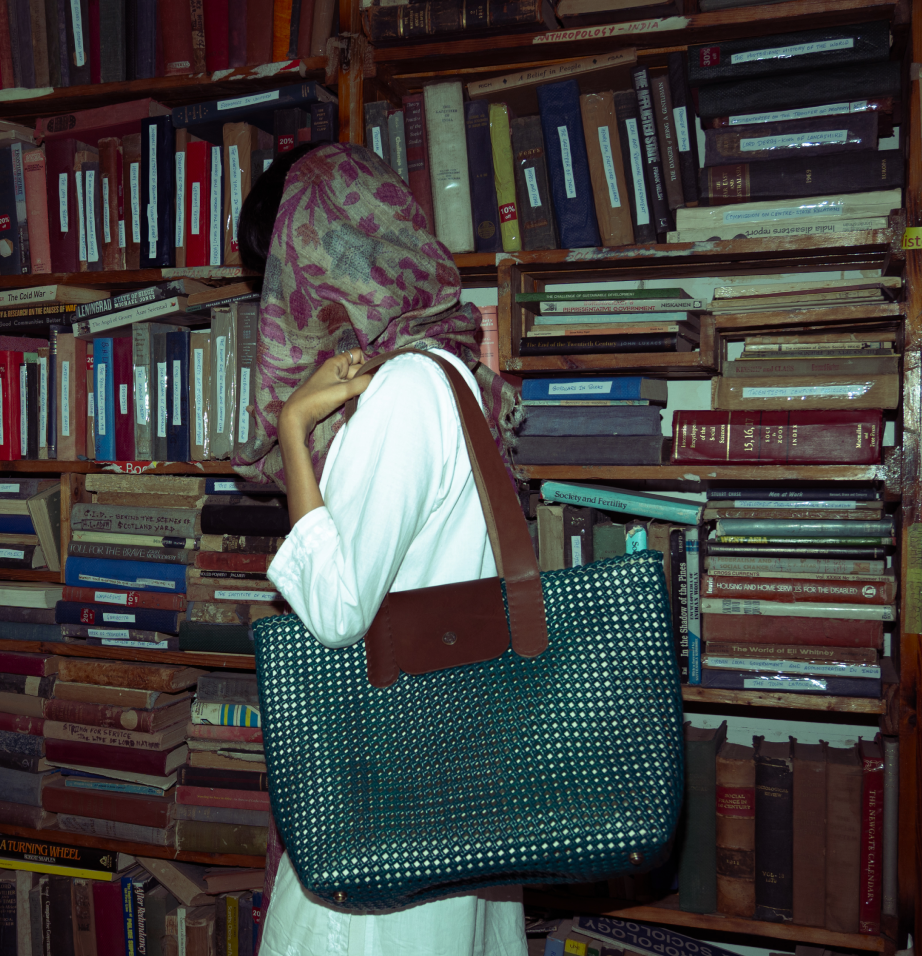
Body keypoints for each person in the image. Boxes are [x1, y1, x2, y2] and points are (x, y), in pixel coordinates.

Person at [230, 142, 527, 955]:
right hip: (452, 762)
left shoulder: (406, 390)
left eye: (280, 270)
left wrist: (294, 429)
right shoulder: (457, 375)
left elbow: (335, 610)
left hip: (389, 784)